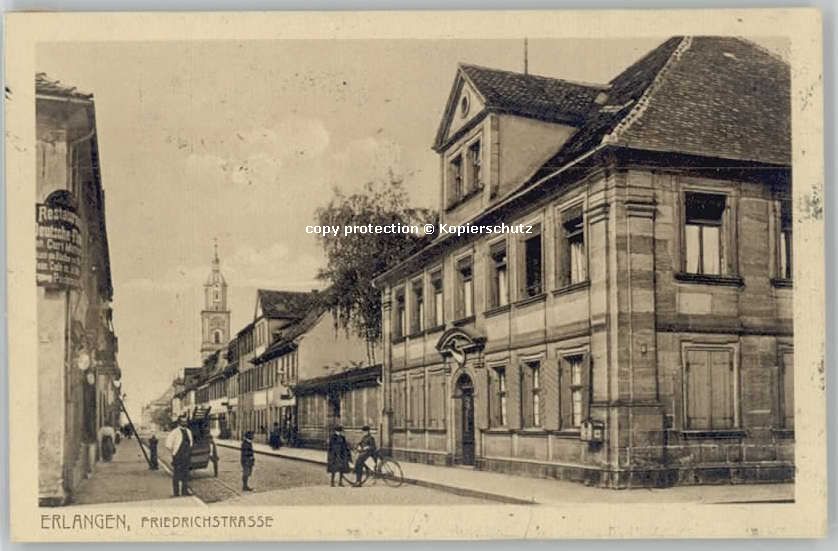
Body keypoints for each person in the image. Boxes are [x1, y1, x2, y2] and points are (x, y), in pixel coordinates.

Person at [166, 415, 193, 497]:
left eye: (185, 421)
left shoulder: (188, 431)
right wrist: (174, 452)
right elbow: (168, 444)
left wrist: (188, 450)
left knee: (186, 474)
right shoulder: (175, 432)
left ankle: (184, 491)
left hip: (186, 455)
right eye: (183, 421)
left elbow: (191, 442)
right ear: (179, 422)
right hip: (178, 456)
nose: (184, 423)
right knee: (177, 474)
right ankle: (176, 493)